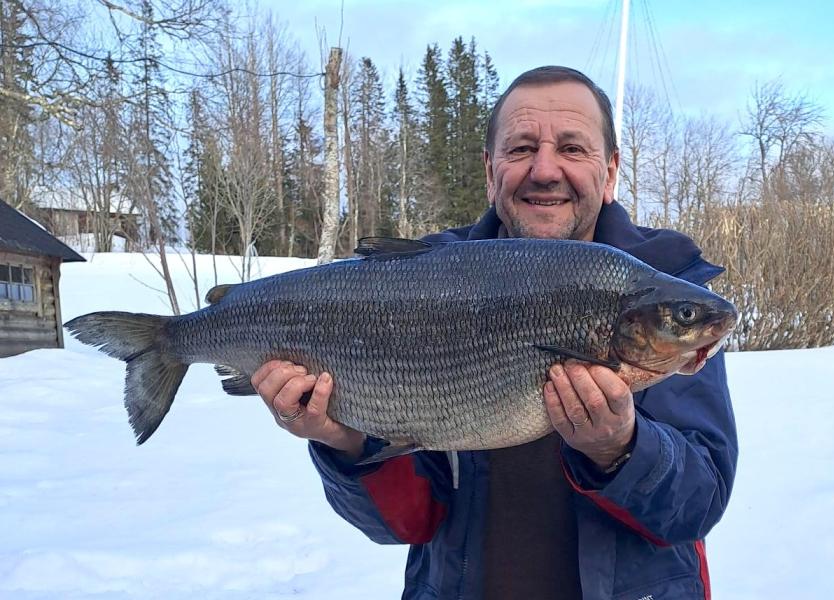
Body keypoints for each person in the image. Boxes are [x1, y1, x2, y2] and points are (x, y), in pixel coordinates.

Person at [251, 66, 737, 600]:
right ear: (490, 171)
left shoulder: (668, 302)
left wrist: (620, 448)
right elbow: (404, 526)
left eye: (572, 149)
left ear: (611, 170)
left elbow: (698, 505)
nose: (545, 169)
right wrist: (342, 438)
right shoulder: (425, 283)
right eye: (522, 148)